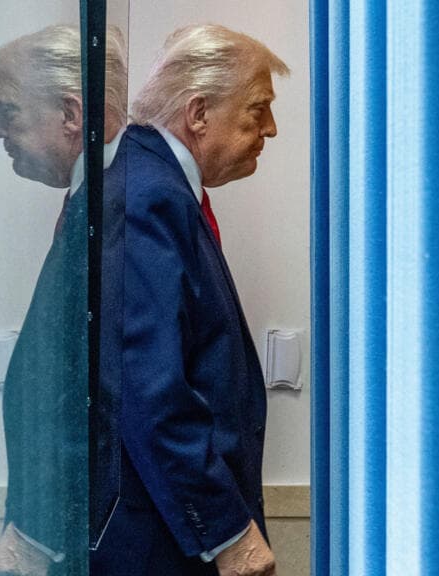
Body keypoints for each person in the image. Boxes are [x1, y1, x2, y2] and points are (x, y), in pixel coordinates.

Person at [90, 24, 289, 576]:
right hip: (158, 544)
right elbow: (147, 388)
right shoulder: (147, 196)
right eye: (258, 108)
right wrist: (227, 532)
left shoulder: (157, 187)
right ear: (198, 113)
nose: (270, 129)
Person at [0, 24, 127, 576]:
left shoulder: (122, 208)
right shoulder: (97, 201)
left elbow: (107, 396)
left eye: (8, 110)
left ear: (71, 113)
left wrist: (35, 531)